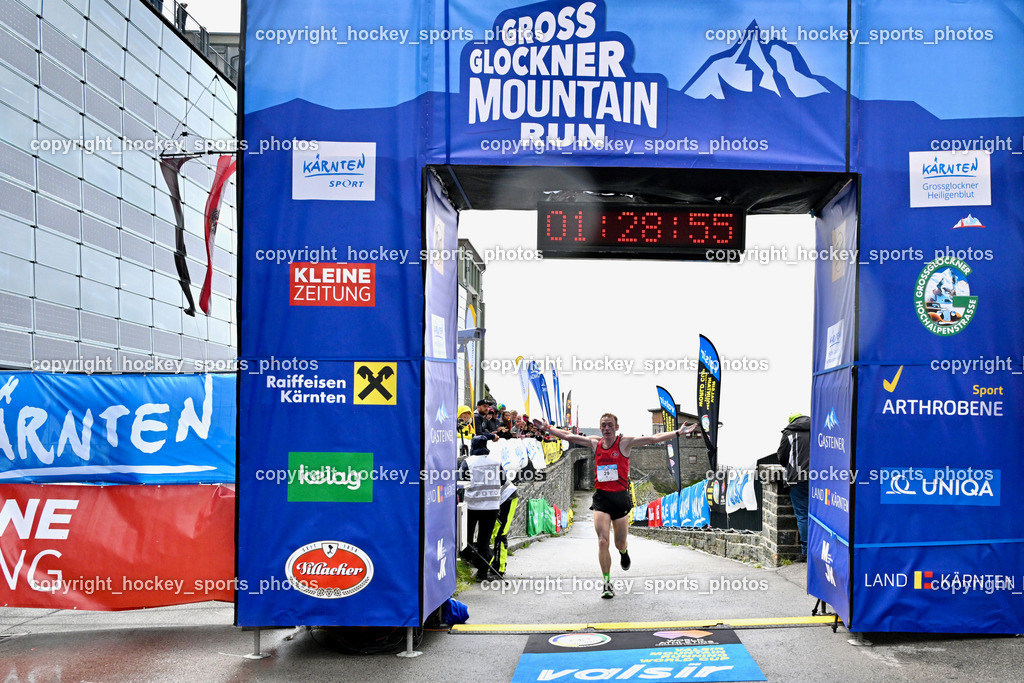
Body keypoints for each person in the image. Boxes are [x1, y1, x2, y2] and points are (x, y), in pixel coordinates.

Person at [536, 413, 693, 599]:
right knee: (603, 540)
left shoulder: (624, 443)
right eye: (603, 425)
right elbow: (570, 437)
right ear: (600, 428)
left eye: (610, 425)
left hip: (620, 499)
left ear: (616, 427)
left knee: (619, 543)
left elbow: (652, 438)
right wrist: (548, 429)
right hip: (601, 499)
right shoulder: (595, 443)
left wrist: (678, 432)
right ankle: (607, 583)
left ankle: (624, 552)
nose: (606, 428)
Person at [459, 433, 504, 581]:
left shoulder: (468, 462)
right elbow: (503, 481)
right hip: (491, 506)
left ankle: (466, 566)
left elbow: (461, 481)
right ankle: (482, 574)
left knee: (467, 538)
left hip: (472, 505)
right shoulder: (496, 461)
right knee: (485, 540)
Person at [777, 413, 810, 559]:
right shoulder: (818, 429)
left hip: (797, 479)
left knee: (803, 515)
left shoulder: (789, 433)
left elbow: (782, 458)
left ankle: (806, 551)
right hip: (822, 477)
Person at [489, 467, 519, 577]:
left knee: (500, 533)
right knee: (496, 531)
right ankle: (495, 564)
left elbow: (501, 479)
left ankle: (499, 568)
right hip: (503, 498)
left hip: (508, 497)